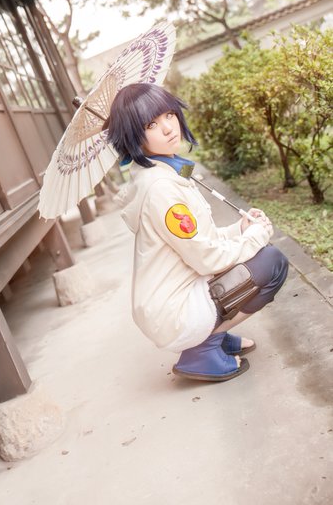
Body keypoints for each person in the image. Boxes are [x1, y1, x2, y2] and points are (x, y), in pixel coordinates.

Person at [105, 82, 288, 382]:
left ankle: (215, 334)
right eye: (151, 124)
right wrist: (253, 238)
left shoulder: (165, 171)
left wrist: (239, 229)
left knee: (259, 257)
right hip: (175, 311)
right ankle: (203, 346)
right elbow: (206, 258)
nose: (168, 128)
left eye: (168, 115)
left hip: (177, 296)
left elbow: (200, 239)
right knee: (271, 263)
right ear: (133, 136)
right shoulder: (160, 188)